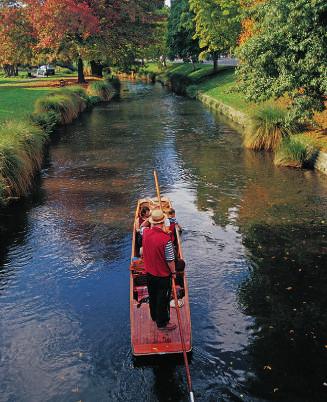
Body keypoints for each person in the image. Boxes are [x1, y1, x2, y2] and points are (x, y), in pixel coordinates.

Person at [142, 209, 177, 331]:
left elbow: (142, 226)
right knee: (163, 299)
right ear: (163, 222)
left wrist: (149, 219)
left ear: (152, 221)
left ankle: (154, 316)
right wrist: (173, 273)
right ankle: (162, 323)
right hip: (162, 276)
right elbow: (170, 260)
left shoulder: (145, 232)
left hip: (149, 274)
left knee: (153, 295)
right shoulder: (166, 239)